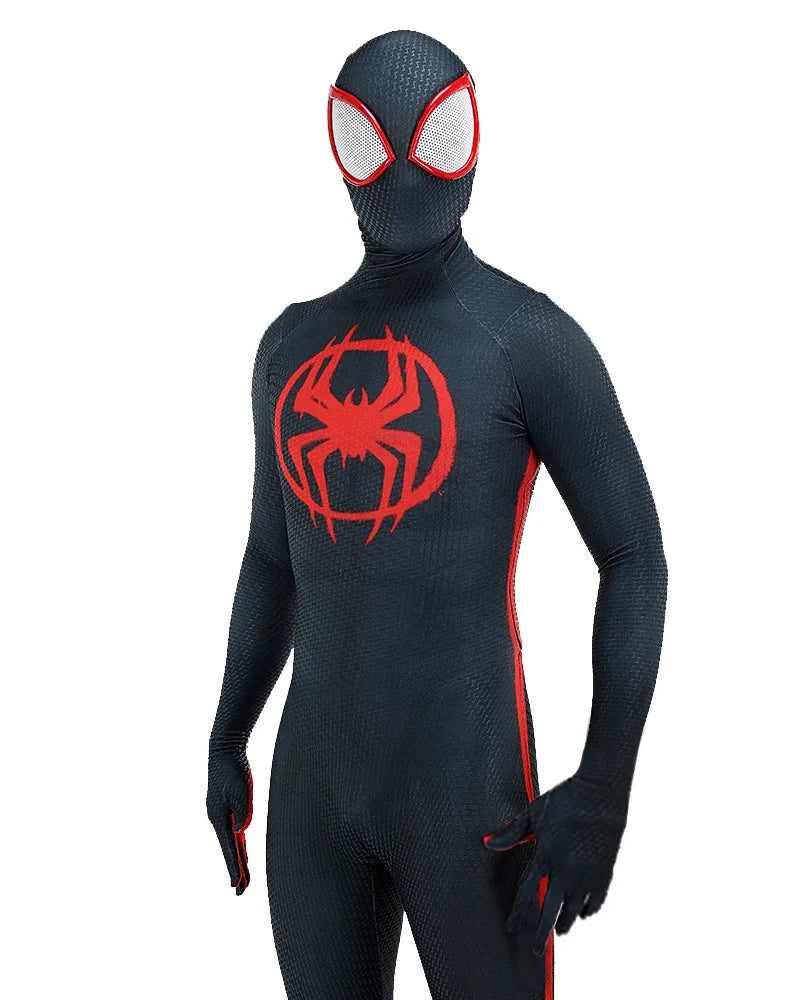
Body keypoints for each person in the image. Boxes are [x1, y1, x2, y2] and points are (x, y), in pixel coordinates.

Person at [207, 29, 667, 1000]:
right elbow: (271, 562)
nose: (407, 169)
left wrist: (606, 789)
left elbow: (633, 557)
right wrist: (225, 737)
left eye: (436, 135)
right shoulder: (288, 348)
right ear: (342, 150)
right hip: (313, 801)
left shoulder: (529, 341)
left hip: (471, 801)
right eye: (374, 141)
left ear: (469, 139)